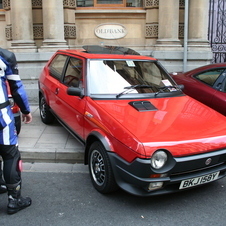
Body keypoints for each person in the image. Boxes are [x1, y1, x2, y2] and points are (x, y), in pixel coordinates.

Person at [0, 48, 32, 214]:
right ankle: (14, 199)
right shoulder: (5, 56)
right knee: (11, 155)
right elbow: (16, 87)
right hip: (1, 116)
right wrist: (26, 111)